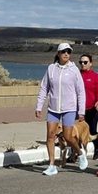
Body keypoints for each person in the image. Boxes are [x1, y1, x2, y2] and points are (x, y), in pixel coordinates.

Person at [35, 43, 86, 176]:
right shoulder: (51, 68)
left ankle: (80, 153)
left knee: (68, 137)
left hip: (69, 108)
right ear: (58, 53)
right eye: (63, 51)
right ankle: (52, 165)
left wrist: (81, 111)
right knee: (50, 136)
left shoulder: (74, 70)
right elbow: (44, 88)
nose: (66, 54)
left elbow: (81, 91)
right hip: (53, 108)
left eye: (68, 52)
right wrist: (39, 106)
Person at [78, 54, 98, 161]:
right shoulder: (77, 75)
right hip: (80, 109)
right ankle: (78, 152)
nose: (83, 64)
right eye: (81, 62)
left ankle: (97, 149)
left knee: (92, 130)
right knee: (78, 131)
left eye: (85, 62)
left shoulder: (95, 76)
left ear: (90, 63)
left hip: (92, 108)